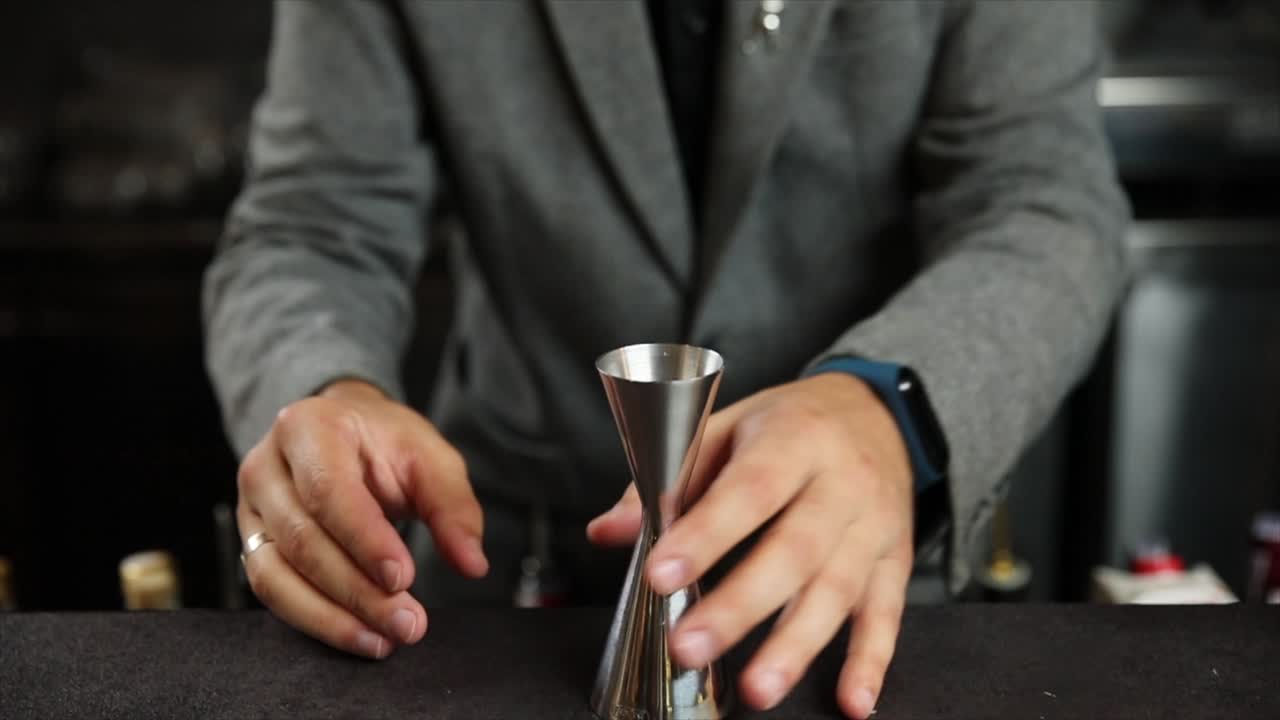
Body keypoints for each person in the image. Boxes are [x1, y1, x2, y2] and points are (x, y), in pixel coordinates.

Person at [203, 2, 1127, 717]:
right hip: (507, 580)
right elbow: (310, 223)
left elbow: (1046, 201)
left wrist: (891, 406)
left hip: (856, 584)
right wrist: (322, 389)